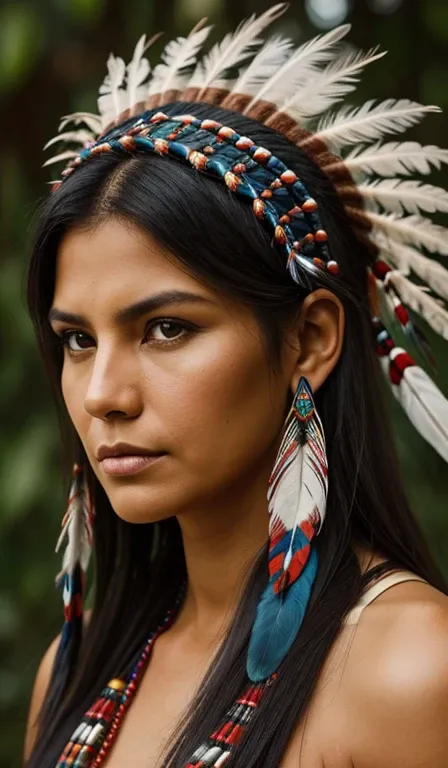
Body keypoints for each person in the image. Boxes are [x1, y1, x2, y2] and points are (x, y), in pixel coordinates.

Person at [24, 6, 448, 767]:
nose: (103, 395)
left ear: (310, 340)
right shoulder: (74, 674)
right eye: (78, 341)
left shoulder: (412, 667)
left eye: (166, 329)